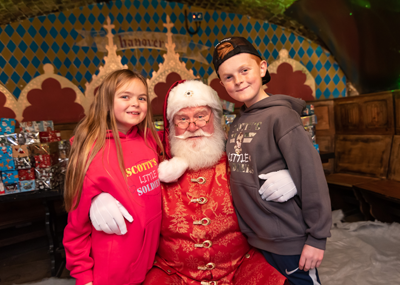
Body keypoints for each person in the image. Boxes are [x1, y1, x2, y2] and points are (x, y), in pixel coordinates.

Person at [89, 79, 297, 284]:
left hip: (240, 266)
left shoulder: (239, 159)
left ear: (215, 120)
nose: (192, 126)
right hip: (173, 273)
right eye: (182, 119)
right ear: (171, 127)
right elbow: (119, 164)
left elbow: (278, 153)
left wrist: (293, 175)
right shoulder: (154, 159)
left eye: (201, 117)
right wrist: (95, 196)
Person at [213, 36, 332, 285]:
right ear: (222, 84)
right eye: (228, 77)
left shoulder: (281, 116)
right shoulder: (237, 122)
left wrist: (317, 239)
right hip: (255, 238)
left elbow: (310, 174)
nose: (238, 80)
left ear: (263, 68)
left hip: (288, 238)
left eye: (245, 70)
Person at [63, 69, 163, 285]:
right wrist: (83, 277)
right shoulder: (91, 152)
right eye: (125, 96)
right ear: (107, 102)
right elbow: (76, 228)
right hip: (112, 271)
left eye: (142, 98)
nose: (135, 103)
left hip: (151, 262)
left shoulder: (150, 141)